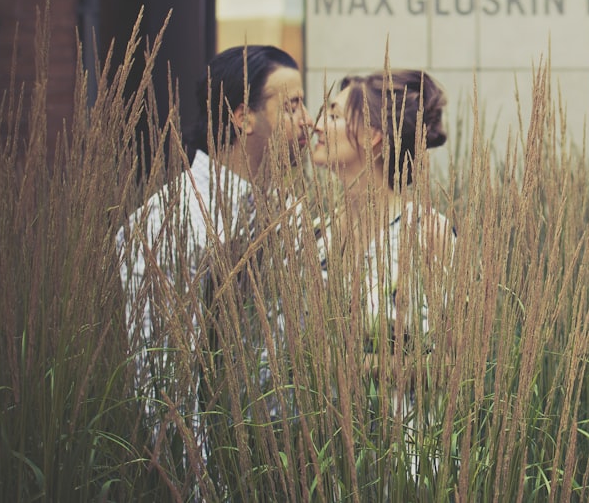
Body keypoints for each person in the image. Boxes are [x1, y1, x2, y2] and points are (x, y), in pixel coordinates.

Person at [116, 45, 312, 471]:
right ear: (243, 117)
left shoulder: (289, 212)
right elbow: (161, 381)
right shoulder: (168, 220)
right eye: (292, 106)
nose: (308, 121)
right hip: (216, 472)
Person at [310, 68, 455, 480]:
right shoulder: (315, 235)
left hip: (407, 467)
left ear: (374, 135)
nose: (318, 125)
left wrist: (352, 363)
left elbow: (454, 365)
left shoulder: (428, 233)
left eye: (334, 115)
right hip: (325, 464)